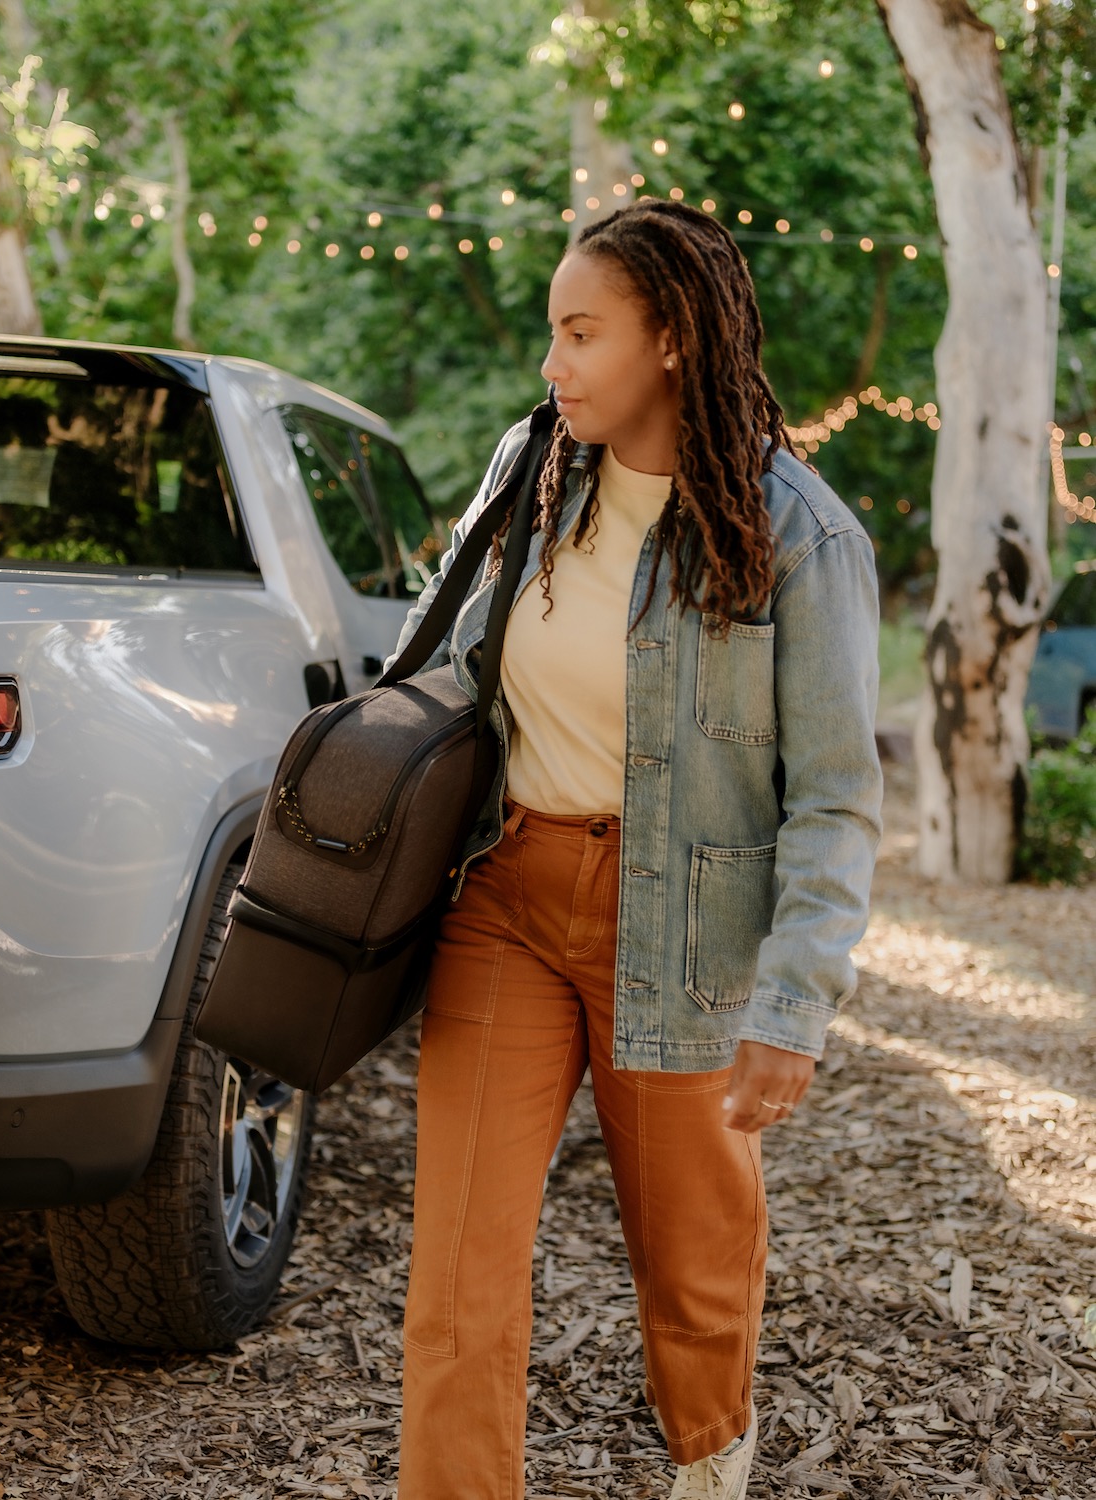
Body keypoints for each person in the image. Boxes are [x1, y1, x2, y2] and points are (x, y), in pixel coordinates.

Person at [388, 198, 883, 1500]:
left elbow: (835, 796)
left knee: (692, 1271)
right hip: (501, 898)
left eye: (579, 332)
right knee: (455, 1277)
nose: (550, 364)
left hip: (682, 929)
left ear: (669, 337)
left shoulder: (796, 533)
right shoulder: (529, 471)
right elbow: (453, 664)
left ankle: (707, 1468)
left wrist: (795, 1003)